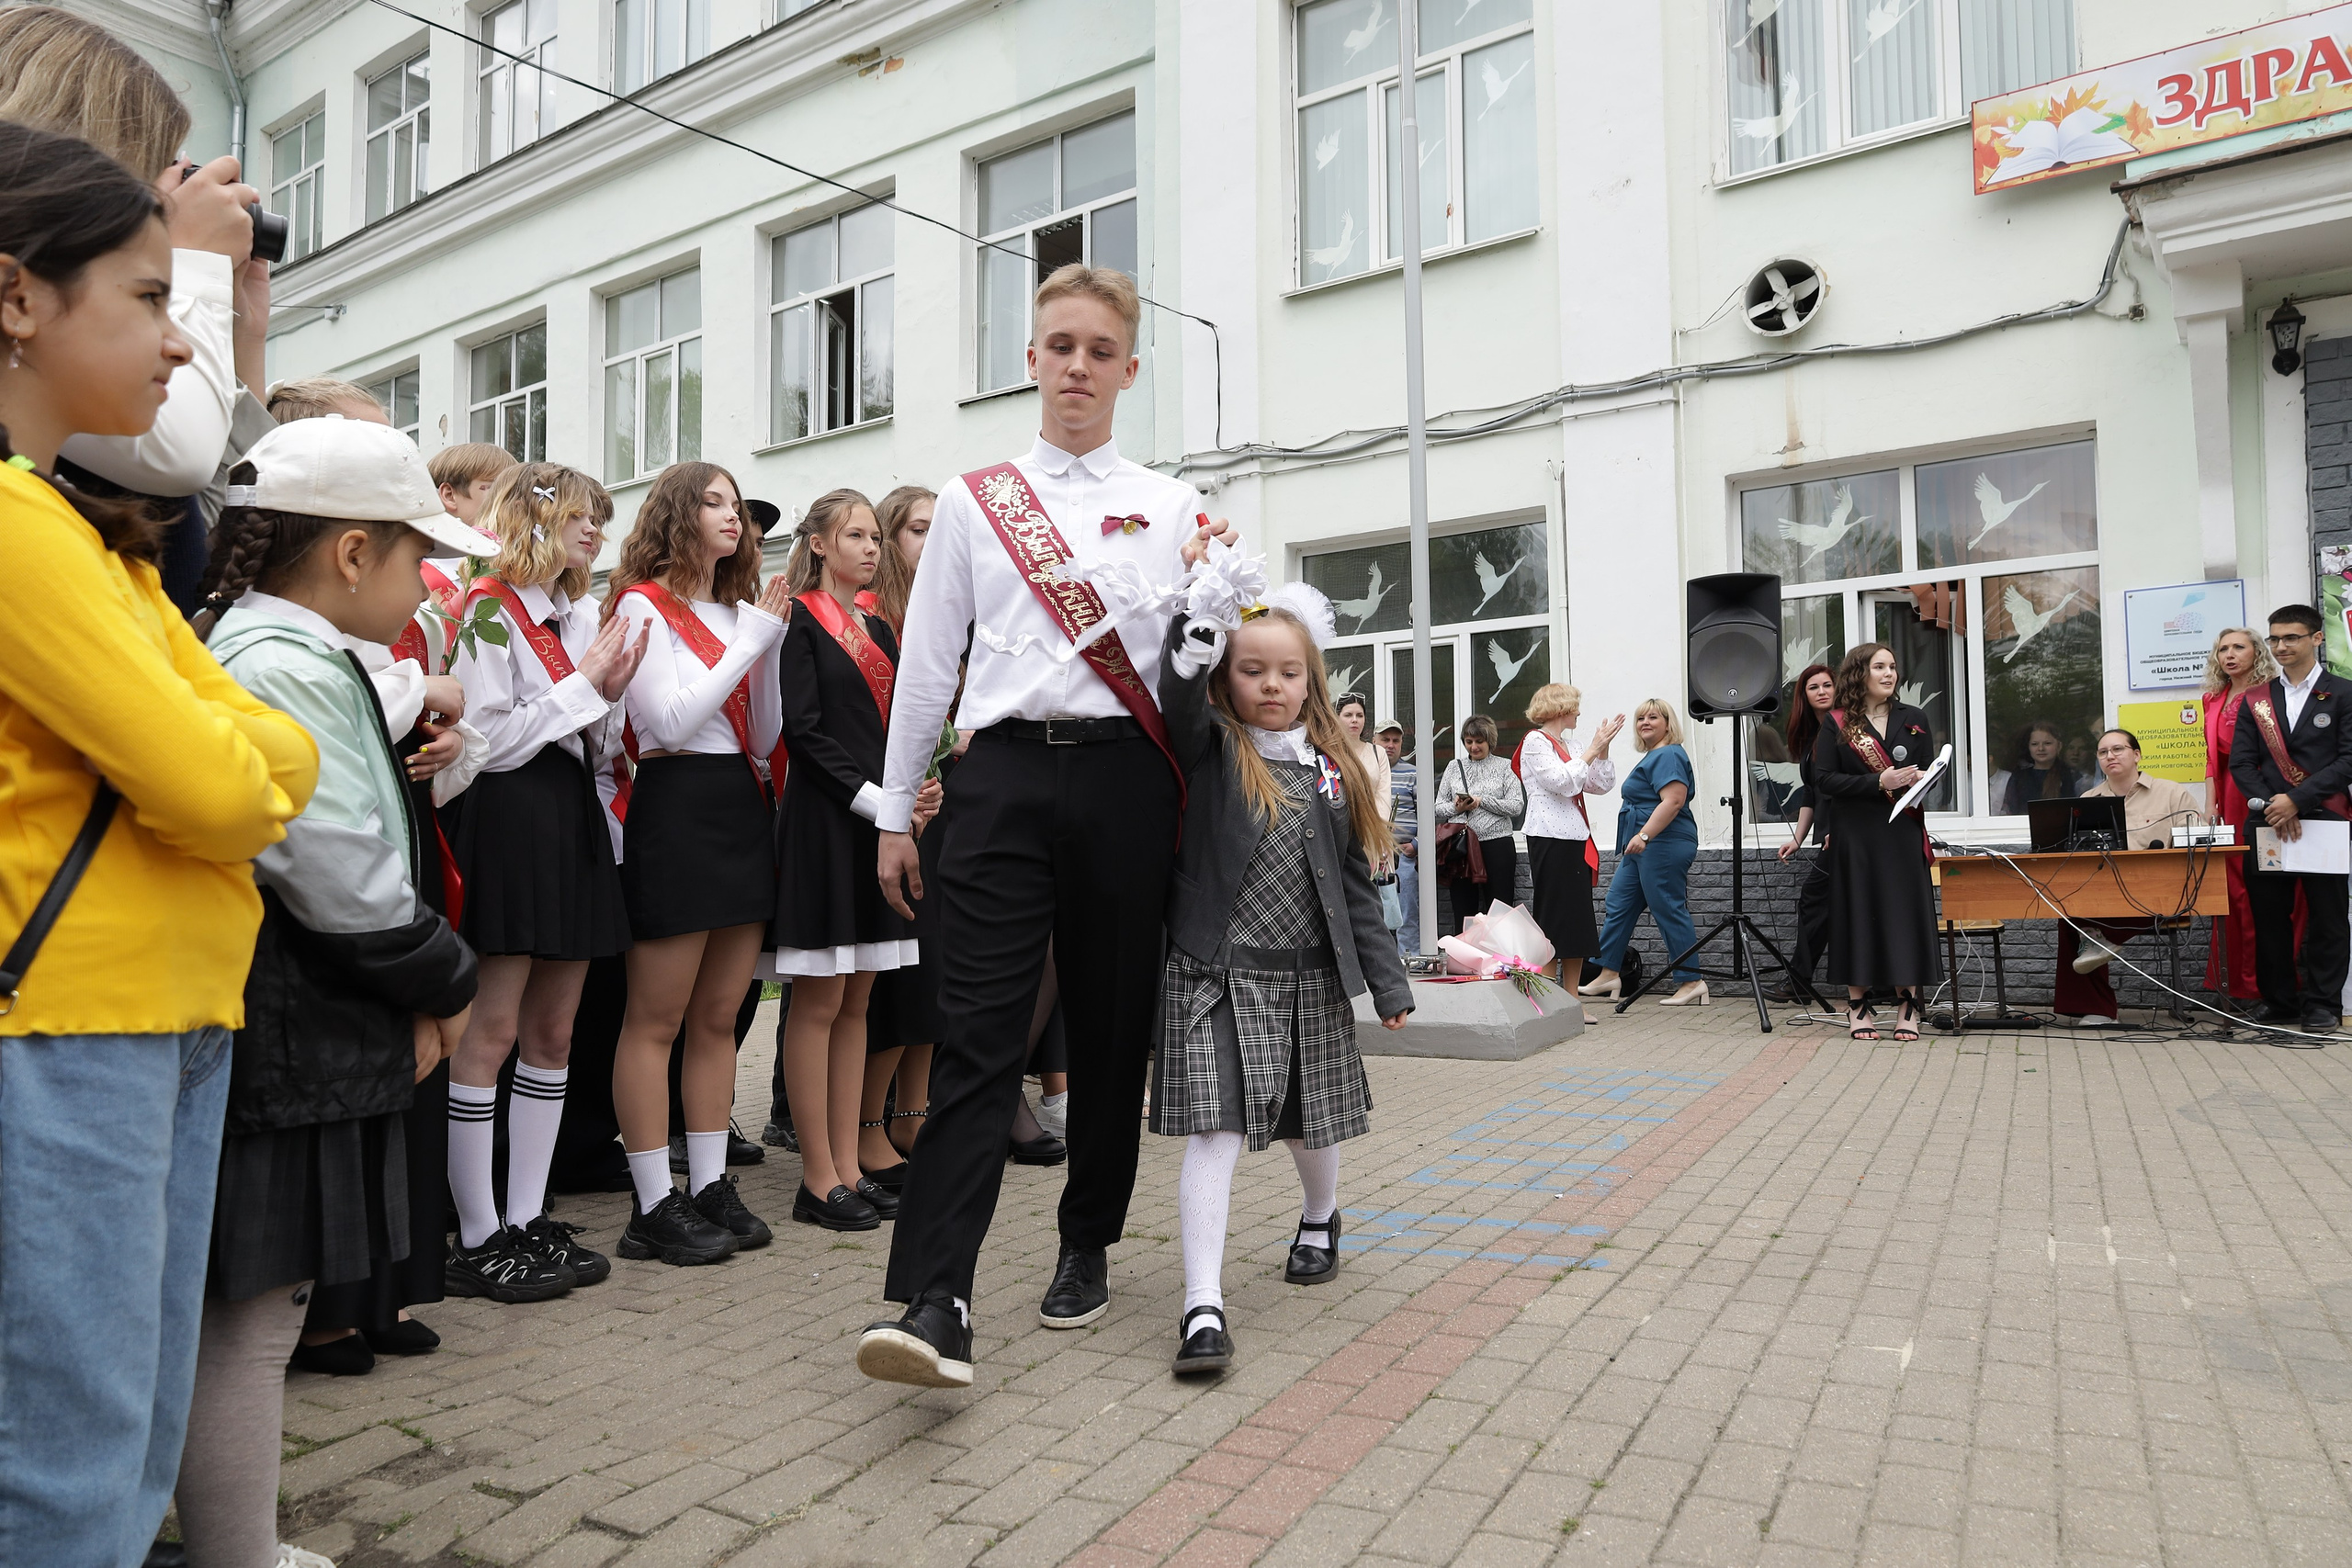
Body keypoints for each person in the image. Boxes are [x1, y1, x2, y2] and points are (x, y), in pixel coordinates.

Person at [0, 120, 317, 1565]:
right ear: (19, 299)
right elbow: (220, 780)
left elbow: (264, 745)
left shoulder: (83, 529)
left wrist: (244, 762)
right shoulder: (11, 526)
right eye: (144, 294)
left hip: (163, 1016)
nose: (179, 341)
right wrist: (241, 766)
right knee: (68, 1472)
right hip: (71, 1027)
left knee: (124, 1456)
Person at [857, 263, 1236, 1389]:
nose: (1076, 365)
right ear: (1030, 361)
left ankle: (1087, 1237)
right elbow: (927, 670)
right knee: (978, 1033)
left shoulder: (1175, 509)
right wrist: (890, 811)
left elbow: (1187, 676)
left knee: (1113, 1031)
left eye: (1097, 350)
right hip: (1002, 781)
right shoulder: (977, 498)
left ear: (1128, 367)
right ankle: (938, 1298)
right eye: (1056, 345)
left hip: (1128, 784)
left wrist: (1215, 615)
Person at [178, 416, 484, 1568]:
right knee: (254, 1319)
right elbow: (339, 870)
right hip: (297, 1020)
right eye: (417, 556)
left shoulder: (284, 650)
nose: (427, 583)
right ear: (353, 554)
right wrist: (446, 980)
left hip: (303, 1015)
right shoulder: (284, 664)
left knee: (260, 1312)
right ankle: (234, 1551)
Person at [1146, 592, 1410, 1374]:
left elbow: (1359, 888)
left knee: (1306, 1121)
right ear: (1226, 678)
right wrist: (1192, 633)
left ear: (1311, 680)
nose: (1271, 684)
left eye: (1288, 672)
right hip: (1214, 972)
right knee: (1215, 1129)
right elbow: (1179, 703)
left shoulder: (1334, 771)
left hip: (1305, 981)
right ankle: (1202, 1305)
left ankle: (1321, 1216)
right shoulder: (1213, 746)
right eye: (1251, 669)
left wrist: (1389, 985)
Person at [441, 464, 648, 1298]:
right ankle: (477, 1229)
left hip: (565, 815)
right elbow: (490, 740)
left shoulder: (566, 616)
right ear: (531, 518)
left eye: (600, 518)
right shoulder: (490, 606)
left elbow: (584, 746)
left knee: (554, 1033)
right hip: (509, 815)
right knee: (490, 1032)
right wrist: (582, 688)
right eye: (580, 516)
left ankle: (526, 1215)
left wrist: (607, 699)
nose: (595, 531)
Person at [2, 6, 272, 609]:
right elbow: (179, 459)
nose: (166, 194)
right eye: (152, 165)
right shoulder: (27, 525)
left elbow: (227, 513)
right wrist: (192, 265)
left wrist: (242, 331)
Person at [605, 462, 794, 1263]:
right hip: (676, 805)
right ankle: (653, 1201)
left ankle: (710, 1181)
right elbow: (673, 722)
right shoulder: (643, 604)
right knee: (657, 1018)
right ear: (678, 516)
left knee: (721, 1016)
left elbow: (758, 739)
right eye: (713, 502)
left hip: (737, 804)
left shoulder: (733, 611)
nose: (733, 517)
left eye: (736, 505)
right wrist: (750, 640)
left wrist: (769, 649)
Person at [769, 489, 920, 1232]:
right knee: (819, 997)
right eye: (856, 535)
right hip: (829, 821)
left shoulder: (880, 625)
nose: (871, 546)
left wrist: (911, 793)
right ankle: (815, 1173)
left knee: (858, 996)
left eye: (874, 536)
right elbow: (802, 729)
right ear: (820, 544)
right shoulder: (797, 618)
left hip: (880, 823)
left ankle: (851, 1163)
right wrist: (875, 801)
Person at [860, 483, 946, 1173]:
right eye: (918, 528)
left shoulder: (940, 607)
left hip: (943, 806)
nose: (930, 540)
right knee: (887, 982)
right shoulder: (869, 617)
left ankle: (916, 1115)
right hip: (882, 811)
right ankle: (868, 1121)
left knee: (930, 973)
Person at [2229, 604, 2352, 1033]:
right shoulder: (2255, 699)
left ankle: (2322, 1006)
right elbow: (2242, 763)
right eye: (2275, 638)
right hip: (2268, 822)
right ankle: (2279, 1001)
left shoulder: (2344, 693)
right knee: (2269, 916)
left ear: (2317, 638)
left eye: (2292, 637)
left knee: (2328, 918)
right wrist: (2272, 805)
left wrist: (2296, 800)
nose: (2281, 646)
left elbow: (2348, 759)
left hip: (2324, 820)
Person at [1814, 644, 1942, 1041]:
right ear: (1860, 674)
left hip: (1902, 831)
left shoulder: (1914, 718)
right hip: (1857, 833)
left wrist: (1923, 779)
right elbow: (1822, 780)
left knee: (1905, 913)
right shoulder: (1837, 723)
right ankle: (1858, 1005)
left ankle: (1909, 1005)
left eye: (1892, 667)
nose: (1889, 674)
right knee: (1857, 912)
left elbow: (1930, 771)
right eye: (1879, 667)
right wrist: (1876, 781)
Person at [2052, 729, 2204, 1026]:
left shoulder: (2172, 793)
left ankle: (2098, 939)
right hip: (2105, 891)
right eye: (2103, 752)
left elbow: (2196, 846)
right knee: (2067, 912)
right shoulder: (2088, 799)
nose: (2110, 756)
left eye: (2118, 749)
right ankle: (2097, 1009)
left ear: (2136, 755)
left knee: (2085, 923)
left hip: (2162, 890)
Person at [1578, 699, 1704, 1006]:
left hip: (1662, 842)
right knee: (1619, 902)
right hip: (1643, 843)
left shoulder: (1668, 754)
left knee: (1667, 906)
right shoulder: (1655, 755)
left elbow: (1673, 800)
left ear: (1667, 723)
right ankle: (1609, 972)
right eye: (1640, 718)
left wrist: (1645, 834)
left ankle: (1692, 980)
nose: (1645, 722)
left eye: (1653, 717)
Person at [1517, 683, 1623, 978]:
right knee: (1553, 920)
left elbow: (1599, 785)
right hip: (1548, 836)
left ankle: (1573, 1001)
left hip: (1576, 838)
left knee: (1577, 922)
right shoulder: (1535, 741)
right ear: (1561, 709)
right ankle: (1552, 999)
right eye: (1575, 706)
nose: (1578, 712)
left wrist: (1602, 750)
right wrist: (1591, 749)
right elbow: (1561, 781)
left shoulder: (1573, 747)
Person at [2203, 626, 2285, 1002]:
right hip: (2229, 802)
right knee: (2231, 890)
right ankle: (2233, 984)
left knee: (2265, 890)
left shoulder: (2272, 693)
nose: (2230, 655)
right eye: (2223, 649)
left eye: (2239, 647)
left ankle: (2266, 987)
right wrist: (2210, 804)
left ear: (2257, 653)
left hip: (2265, 798)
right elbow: (2211, 758)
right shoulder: (2211, 698)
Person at [1766, 663, 1838, 1002]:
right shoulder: (1812, 739)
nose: (1822, 691)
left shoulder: (1846, 730)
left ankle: (1800, 981)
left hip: (1845, 834)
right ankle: (1801, 980)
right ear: (1804, 697)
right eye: (1814, 687)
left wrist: (1838, 828)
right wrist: (1798, 838)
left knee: (1815, 900)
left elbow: (1847, 787)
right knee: (1828, 905)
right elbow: (1811, 791)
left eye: (1828, 685)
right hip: (1828, 834)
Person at [1436, 715, 1524, 926]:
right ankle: (1466, 957)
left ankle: (1501, 956)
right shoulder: (1453, 767)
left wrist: (1482, 801)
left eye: (1479, 741)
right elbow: (1438, 806)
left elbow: (1516, 806)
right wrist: (1458, 807)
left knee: (1500, 908)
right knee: (1463, 910)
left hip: (1497, 844)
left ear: (1490, 741)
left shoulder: (1505, 767)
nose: (1474, 747)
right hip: (1462, 847)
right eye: (1469, 741)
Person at [1377, 721, 1419, 957]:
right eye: (1385, 740)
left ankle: (1408, 959)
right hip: (1374, 854)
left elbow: (1427, 814)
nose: (1390, 745)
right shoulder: (1367, 772)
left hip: (1405, 854)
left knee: (1406, 911)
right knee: (1374, 912)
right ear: (1375, 740)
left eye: (1396, 741)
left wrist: (1416, 845)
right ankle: (1380, 962)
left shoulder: (1412, 773)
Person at [1996, 719, 2080, 816]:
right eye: (2034, 744)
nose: (2041, 748)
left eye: (2047, 743)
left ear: (2059, 746)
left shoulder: (2071, 776)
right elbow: (2011, 812)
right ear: (2029, 747)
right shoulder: (2019, 778)